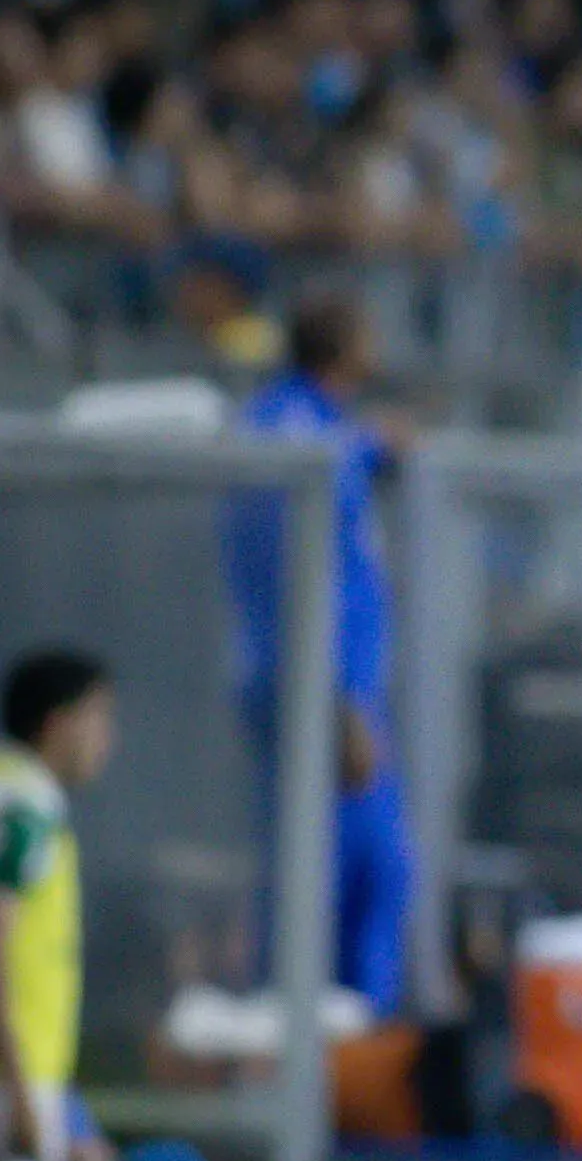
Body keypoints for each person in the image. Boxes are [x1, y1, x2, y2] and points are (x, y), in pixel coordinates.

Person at [219, 291, 412, 1018]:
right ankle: (325, 1050)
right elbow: (295, 582)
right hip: (318, 695)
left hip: (323, 688)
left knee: (342, 869)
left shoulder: (308, 424)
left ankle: (328, 1042)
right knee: (343, 873)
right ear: (345, 342)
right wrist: (340, 702)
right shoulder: (294, 437)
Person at [0, 649, 115, 1161]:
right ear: (59, 722)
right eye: (99, 717)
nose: (107, 739)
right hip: (5, 1073)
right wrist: (19, 1090)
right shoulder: (26, 808)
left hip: (12, 1072)